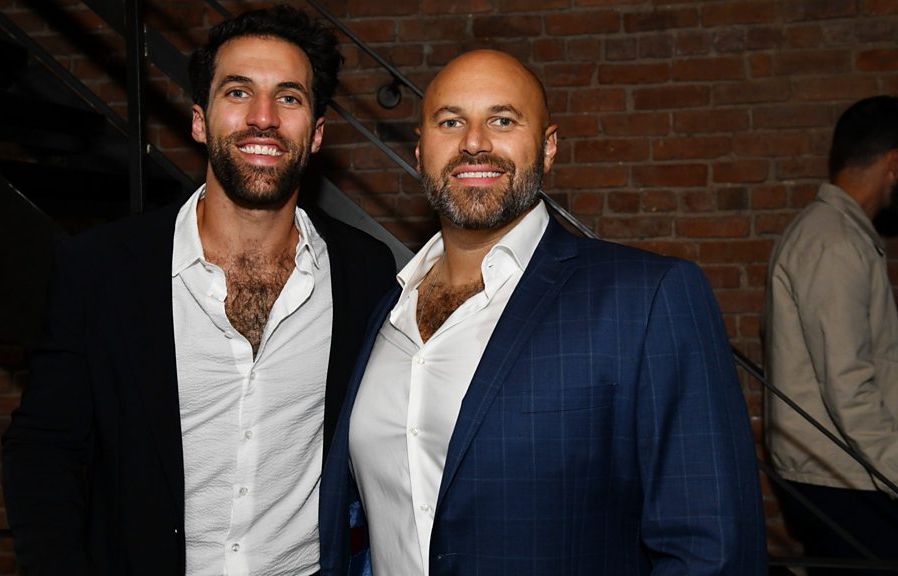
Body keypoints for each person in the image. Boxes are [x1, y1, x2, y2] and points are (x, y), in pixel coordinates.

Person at [319, 49, 767, 575]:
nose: (474, 143)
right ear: (420, 152)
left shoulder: (645, 299)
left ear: (548, 147)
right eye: (451, 122)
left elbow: (712, 550)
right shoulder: (384, 310)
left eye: (503, 121)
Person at [1, 6, 395, 575]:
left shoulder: (365, 272)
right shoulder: (101, 268)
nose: (263, 118)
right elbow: (44, 445)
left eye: (288, 97)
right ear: (199, 121)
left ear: (316, 134)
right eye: (238, 92)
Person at [764, 95, 898, 574]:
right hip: (841, 476)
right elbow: (849, 388)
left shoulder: (839, 233)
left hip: (847, 470)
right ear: (894, 163)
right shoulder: (834, 242)